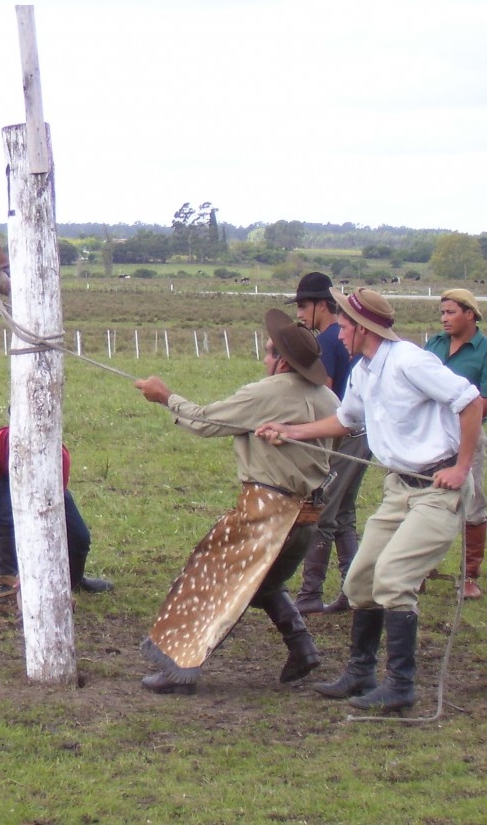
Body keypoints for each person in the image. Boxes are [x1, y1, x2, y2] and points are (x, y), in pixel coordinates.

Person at [258, 287, 482, 712]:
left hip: (437, 490)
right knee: (360, 581)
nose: (339, 333)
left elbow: (469, 402)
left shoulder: (410, 361)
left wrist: (462, 467)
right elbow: (346, 419)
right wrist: (288, 430)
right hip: (399, 488)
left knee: (394, 579)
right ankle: (361, 672)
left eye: (344, 325)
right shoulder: (363, 370)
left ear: (363, 328)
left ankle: (401, 686)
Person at [133, 309, 339, 694]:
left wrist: (165, 397)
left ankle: (179, 670)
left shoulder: (266, 394)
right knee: (262, 582)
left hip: (266, 513)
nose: (263, 360)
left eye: (266, 352)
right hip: (307, 517)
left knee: (208, 583)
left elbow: (204, 421)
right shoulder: (328, 397)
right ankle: (303, 647)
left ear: (280, 359)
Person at [287, 272, 371, 615]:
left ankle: (310, 593)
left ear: (324, 305)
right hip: (363, 435)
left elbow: (325, 392)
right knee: (345, 515)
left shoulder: (328, 340)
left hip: (342, 437)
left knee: (321, 514)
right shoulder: (343, 336)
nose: (300, 313)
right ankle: (355, 591)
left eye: (305, 305)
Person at [0, 425, 113, 593]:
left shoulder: (58, 456)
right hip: (9, 479)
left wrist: (34, 570)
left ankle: (71, 581)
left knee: (80, 537)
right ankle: (9, 580)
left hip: (46, 488)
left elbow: (51, 516)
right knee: (6, 515)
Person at [424, 288, 487, 600]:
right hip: (429, 432)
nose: (444, 319)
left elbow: (484, 400)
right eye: (442, 312)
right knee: (423, 494)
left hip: (467, 434)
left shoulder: (485, 350)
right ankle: (421, 566)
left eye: (451, 312)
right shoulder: (434, 344)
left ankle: (470, 575)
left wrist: (459, 410)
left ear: (470, 314)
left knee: (472, 501)